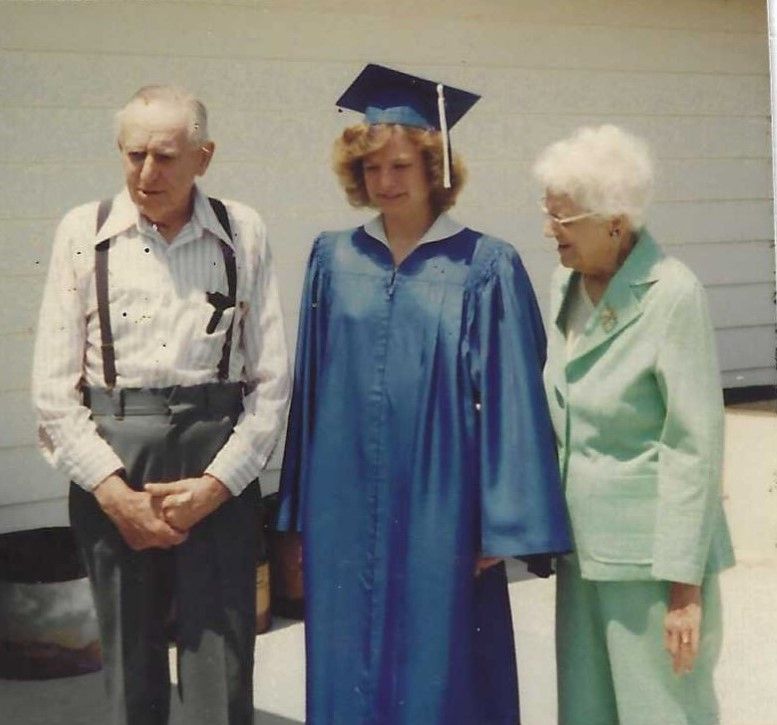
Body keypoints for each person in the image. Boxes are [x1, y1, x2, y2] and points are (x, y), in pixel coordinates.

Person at [277, 64, 571, 725]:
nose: (386, 181)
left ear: (434, 166)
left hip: (443, 500)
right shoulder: (332, 258)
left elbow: (512, 399)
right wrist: (297, 511)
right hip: (343, 500)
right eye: (373, 167)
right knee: (346, 653)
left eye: (402, 165)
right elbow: (312, 391)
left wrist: (500, 519)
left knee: (440, 666)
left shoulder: (484, 264)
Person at [32, 85, 290, 725]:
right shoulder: (82, 233)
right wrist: (111, 492)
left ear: (204, 157)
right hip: (114, 464)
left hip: (217, 469)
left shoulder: (242, 231)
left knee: (222, 662)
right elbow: (53, 388)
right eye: (135, 154)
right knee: (129, 663)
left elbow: (271, 379)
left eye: (167, 156)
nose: (149, 173)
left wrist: (217, 485)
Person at [534, 124, 735, 725]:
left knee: (664, 712)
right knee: (587, 711)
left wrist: (684, 588)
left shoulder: (673, 294)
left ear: (614, 221)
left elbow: (693, 444)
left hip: (652, 560)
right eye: (547, 214)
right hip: (582, 552)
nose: (550, 231)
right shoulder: (562, 285)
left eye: (563, 219)